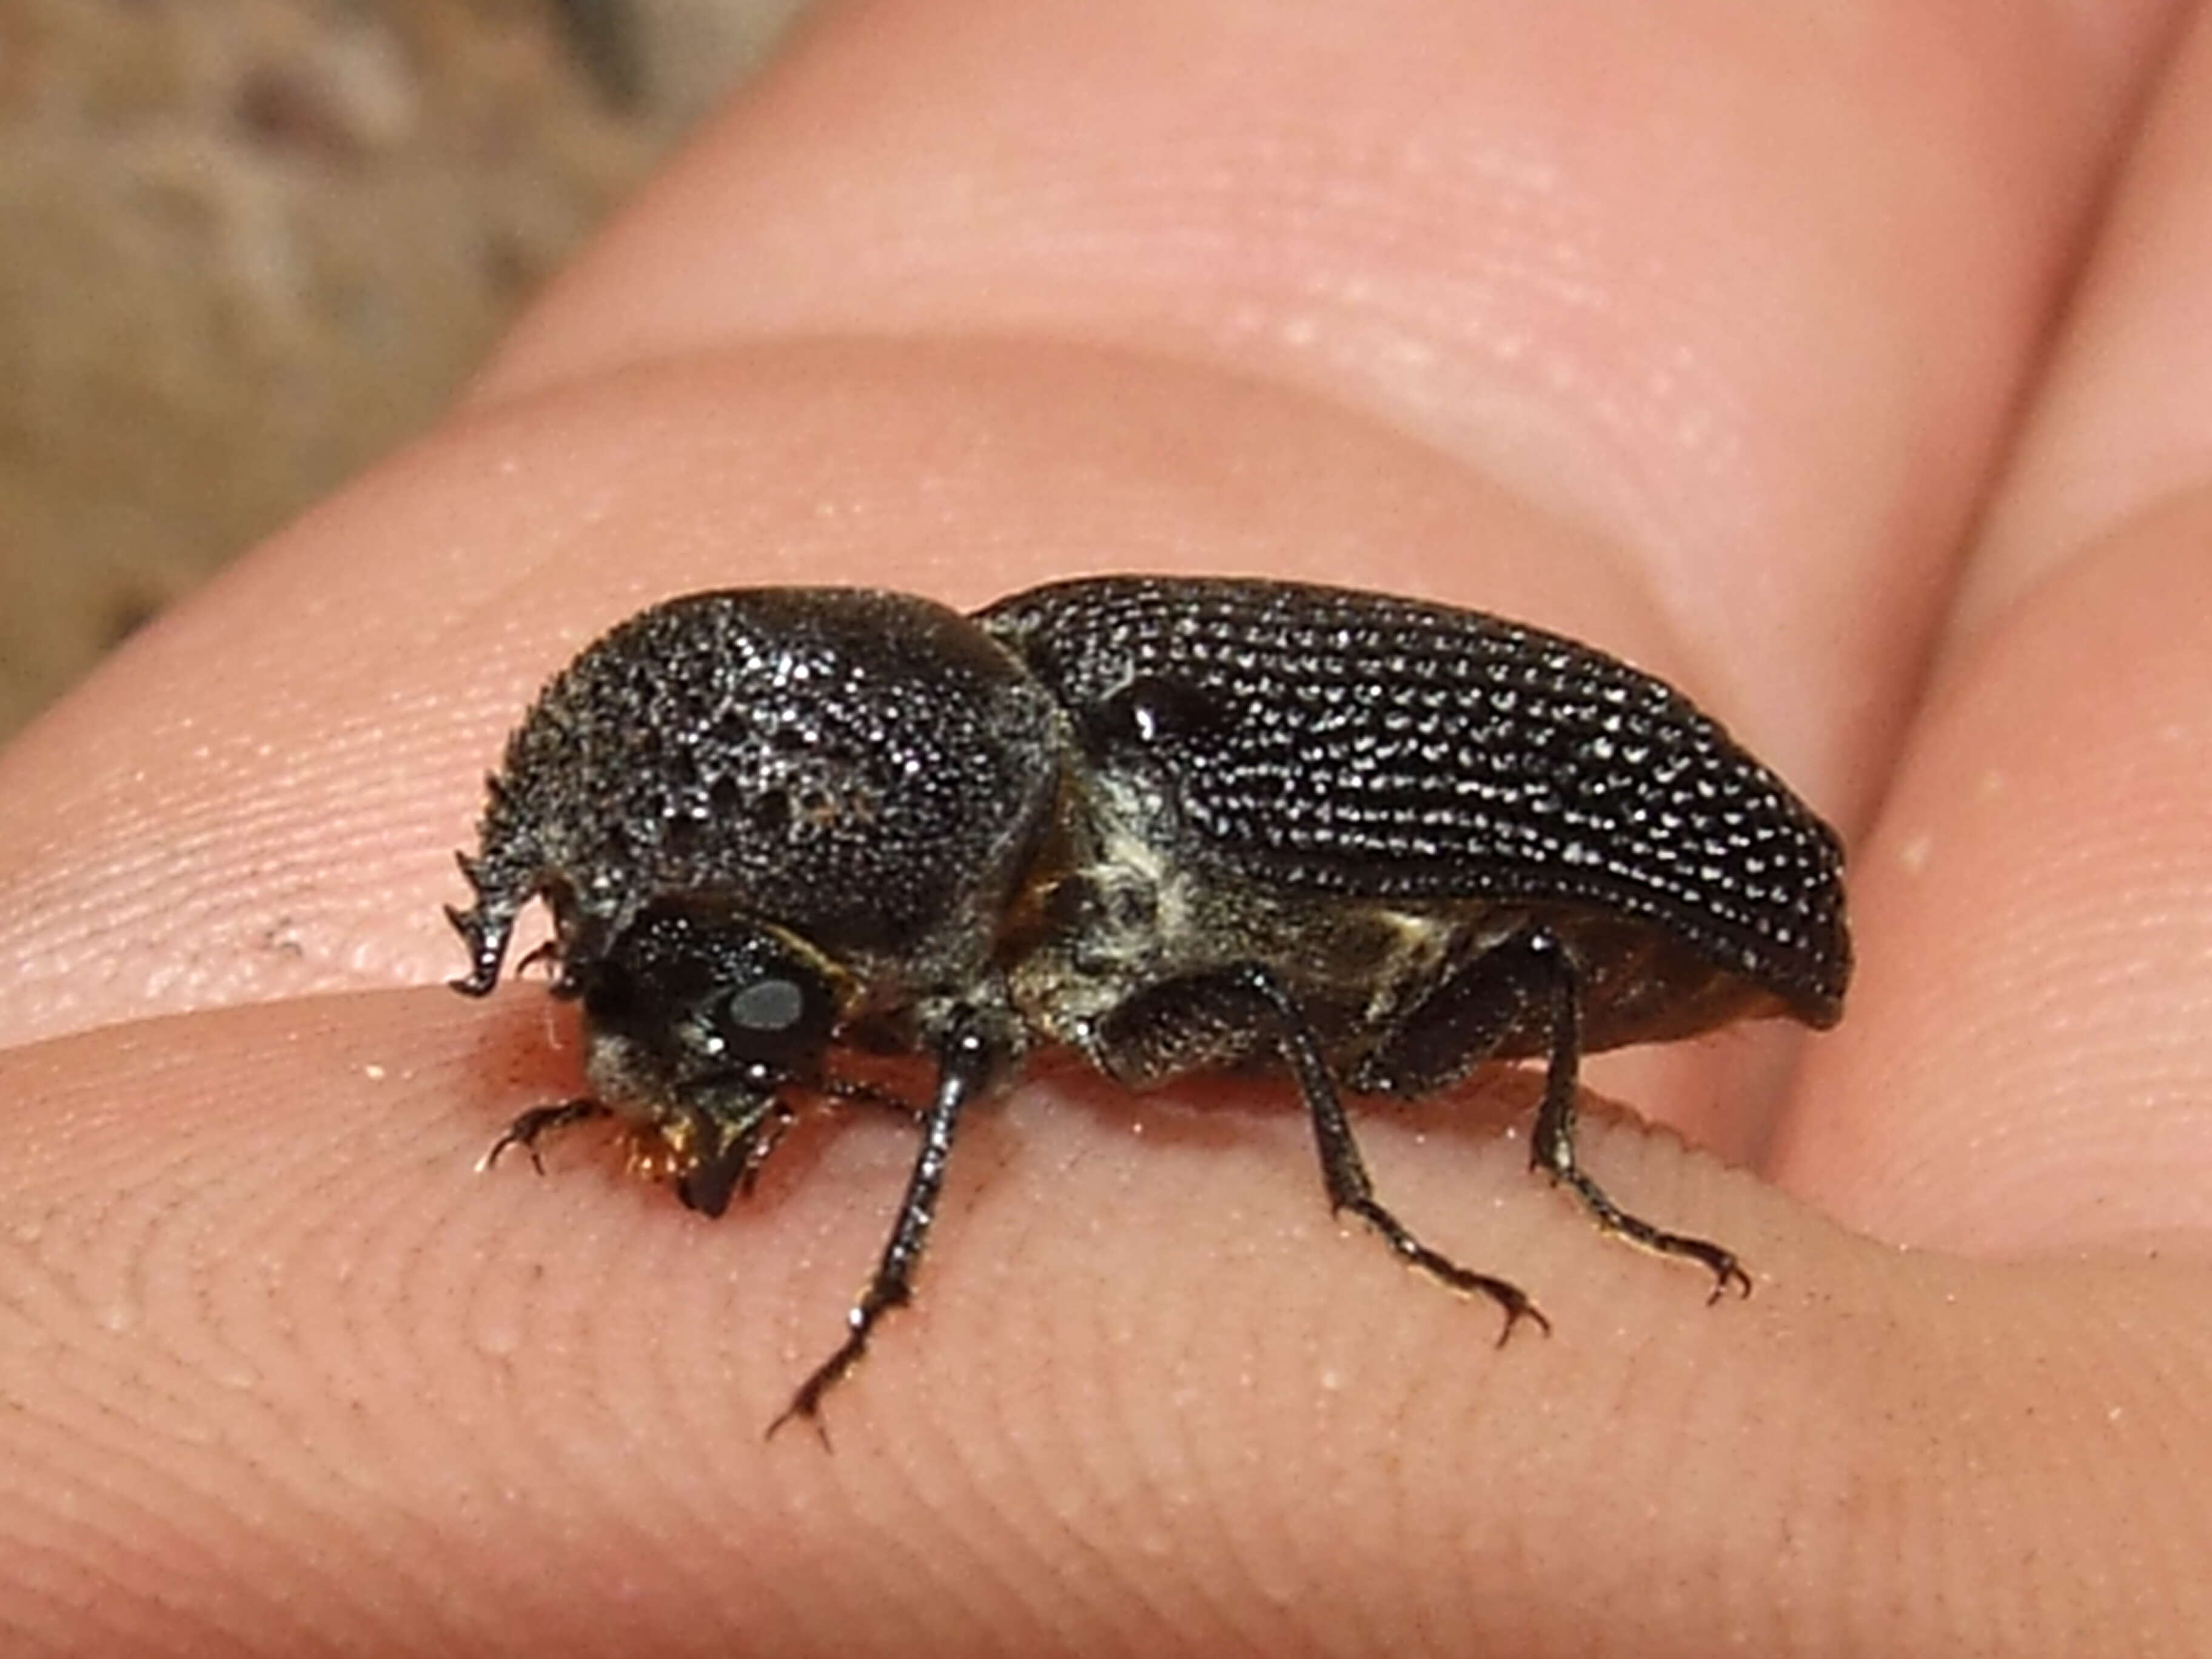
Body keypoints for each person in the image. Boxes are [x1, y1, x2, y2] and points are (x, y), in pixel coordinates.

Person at [2, 4, 2207, 1652]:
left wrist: (890, 1298)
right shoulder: (965, 788)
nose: (731, 1072)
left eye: (743, 1015)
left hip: (1616, 889)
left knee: (1288, 991)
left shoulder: (1059, 861)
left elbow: (1107, 1016)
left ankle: (1516, 1173)